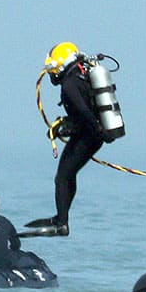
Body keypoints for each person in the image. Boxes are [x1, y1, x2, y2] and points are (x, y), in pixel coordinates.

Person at [30, 42, 115, 236]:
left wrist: (93, 131)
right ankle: (61, 218)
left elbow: (84, 112)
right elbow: (84, 111)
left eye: (53, 69)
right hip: (92, 134)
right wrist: (63, 127)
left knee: (63, 177)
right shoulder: (81, 76)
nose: (52, 74)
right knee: (68, 174)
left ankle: (61, 222)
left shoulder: (69, 84)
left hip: (89, 136)